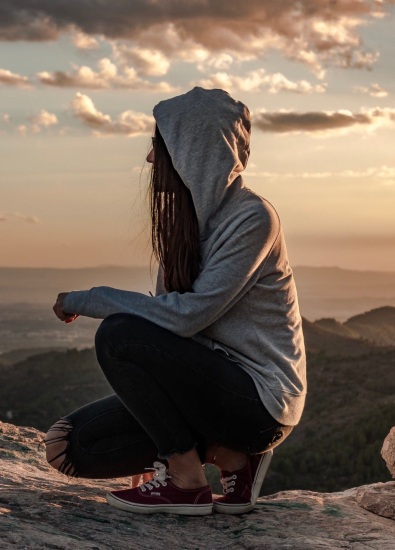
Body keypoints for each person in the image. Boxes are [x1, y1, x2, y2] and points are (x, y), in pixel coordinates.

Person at [45, 86, 307, 516]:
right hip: (203, 391)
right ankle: (230, 457)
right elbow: (167, 330)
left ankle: (187, 480)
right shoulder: (185, 226)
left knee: (119, 335)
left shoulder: (252, 218)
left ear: (193, 153)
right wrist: (160, 428)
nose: (150, 160)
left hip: (258, 403)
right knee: (68, 447)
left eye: (157, 147)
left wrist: (91, 299)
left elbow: (185, 318)